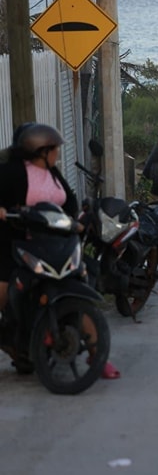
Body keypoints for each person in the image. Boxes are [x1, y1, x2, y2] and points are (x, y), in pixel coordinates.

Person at [0, 123, 120, 379]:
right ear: (41, 150)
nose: (57, 153)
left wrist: (79, 220)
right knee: (8, 293)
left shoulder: (53, 173)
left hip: (56, 245)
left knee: (82, 286)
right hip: (18, 246)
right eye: (54, 149)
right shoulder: (11, 173)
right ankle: (17, 343)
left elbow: (70, 204)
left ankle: (98, 355)